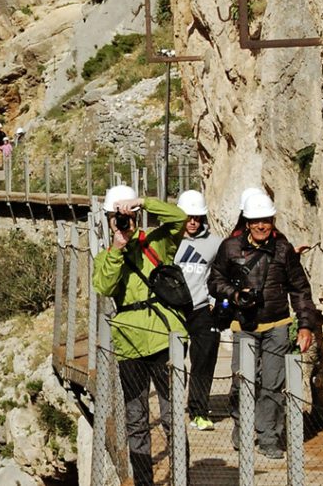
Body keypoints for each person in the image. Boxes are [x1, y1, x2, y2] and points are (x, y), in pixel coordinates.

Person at [207, 192, 320, 459]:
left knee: (272, 383)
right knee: (241, 380)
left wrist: (306, 326)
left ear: (272, 220)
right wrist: (235, 295)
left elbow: (300, 289)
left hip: (277, 324)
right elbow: (214, 281)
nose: (261, 225)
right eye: (256, 220)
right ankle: (242, 426)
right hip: (243, 325)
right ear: (247, 221)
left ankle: (269, 436)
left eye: (266, 220)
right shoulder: (230, 247)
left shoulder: (283, 249)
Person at [93, 185, 187, 486]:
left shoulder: (155, 243)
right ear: (109, 221)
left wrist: (143, 203)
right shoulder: (108, 256)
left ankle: (181, 477)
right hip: (129, 345)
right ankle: (145, 482)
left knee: (172, 414)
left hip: (163, 337)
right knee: (136, 419)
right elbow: (105, 287)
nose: (122, 223)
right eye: (116, 217)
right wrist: (119, 247)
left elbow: (179, 218)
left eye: (125, 217)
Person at [173, 190, 223, 431]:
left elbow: (225, 271)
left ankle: (199, 412)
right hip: (173, 310)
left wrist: (215, 299)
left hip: (202, 309)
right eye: (187, 217)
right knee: (171, 361)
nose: (192, 222)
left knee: (203, 362)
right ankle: (170, 408)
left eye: (196, 217)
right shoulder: (168, 242)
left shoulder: (215, 244)